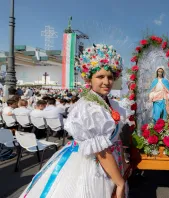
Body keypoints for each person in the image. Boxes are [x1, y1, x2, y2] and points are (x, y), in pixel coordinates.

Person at [20, 44, 132, 198]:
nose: (107, 81)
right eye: (100, 77)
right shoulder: (88, 107)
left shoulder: (108, 102)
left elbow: (113, 138)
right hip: (94, 165)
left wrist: (123, 164)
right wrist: (119, 182)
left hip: (111, 163)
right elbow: (100, 150)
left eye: (110, 77)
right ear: (89, 79)